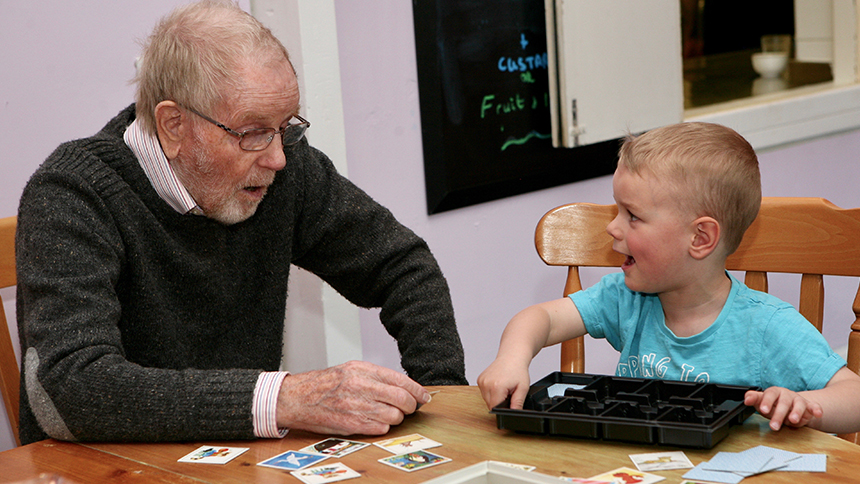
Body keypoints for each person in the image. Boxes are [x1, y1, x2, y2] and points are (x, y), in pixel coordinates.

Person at [16, 0, 467, 446]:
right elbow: (71, 387)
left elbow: (403, 266)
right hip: (99, 469)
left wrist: (443, 403)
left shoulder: (284, 170)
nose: (277, 158)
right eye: (252, 134)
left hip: (240, 462)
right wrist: (285, 398)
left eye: (286, 126)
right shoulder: (72, 193)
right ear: (173, 125)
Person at [478, 122, 860, 434]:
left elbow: (854, 396)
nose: (612, 227)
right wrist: (511, 359)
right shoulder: (625, 298)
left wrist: (809, 405)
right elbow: (539, 319)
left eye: (632, 215)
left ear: (700, 238)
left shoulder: (766, 327)